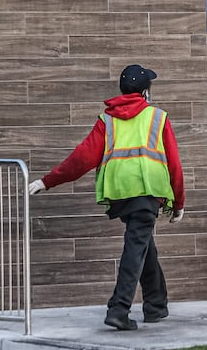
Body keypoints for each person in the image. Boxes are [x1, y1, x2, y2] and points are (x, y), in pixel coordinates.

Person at [28, 64, 185, 331]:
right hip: (148, 191)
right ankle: (119, 309)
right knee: (135, 248)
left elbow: (81, 159)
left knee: (144, 244)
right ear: (145, 93)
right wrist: (179, 203)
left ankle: (156, 305)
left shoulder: (107, 121)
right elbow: (174, 164)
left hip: (120, 195)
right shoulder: (157, 117)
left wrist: (47, 181)